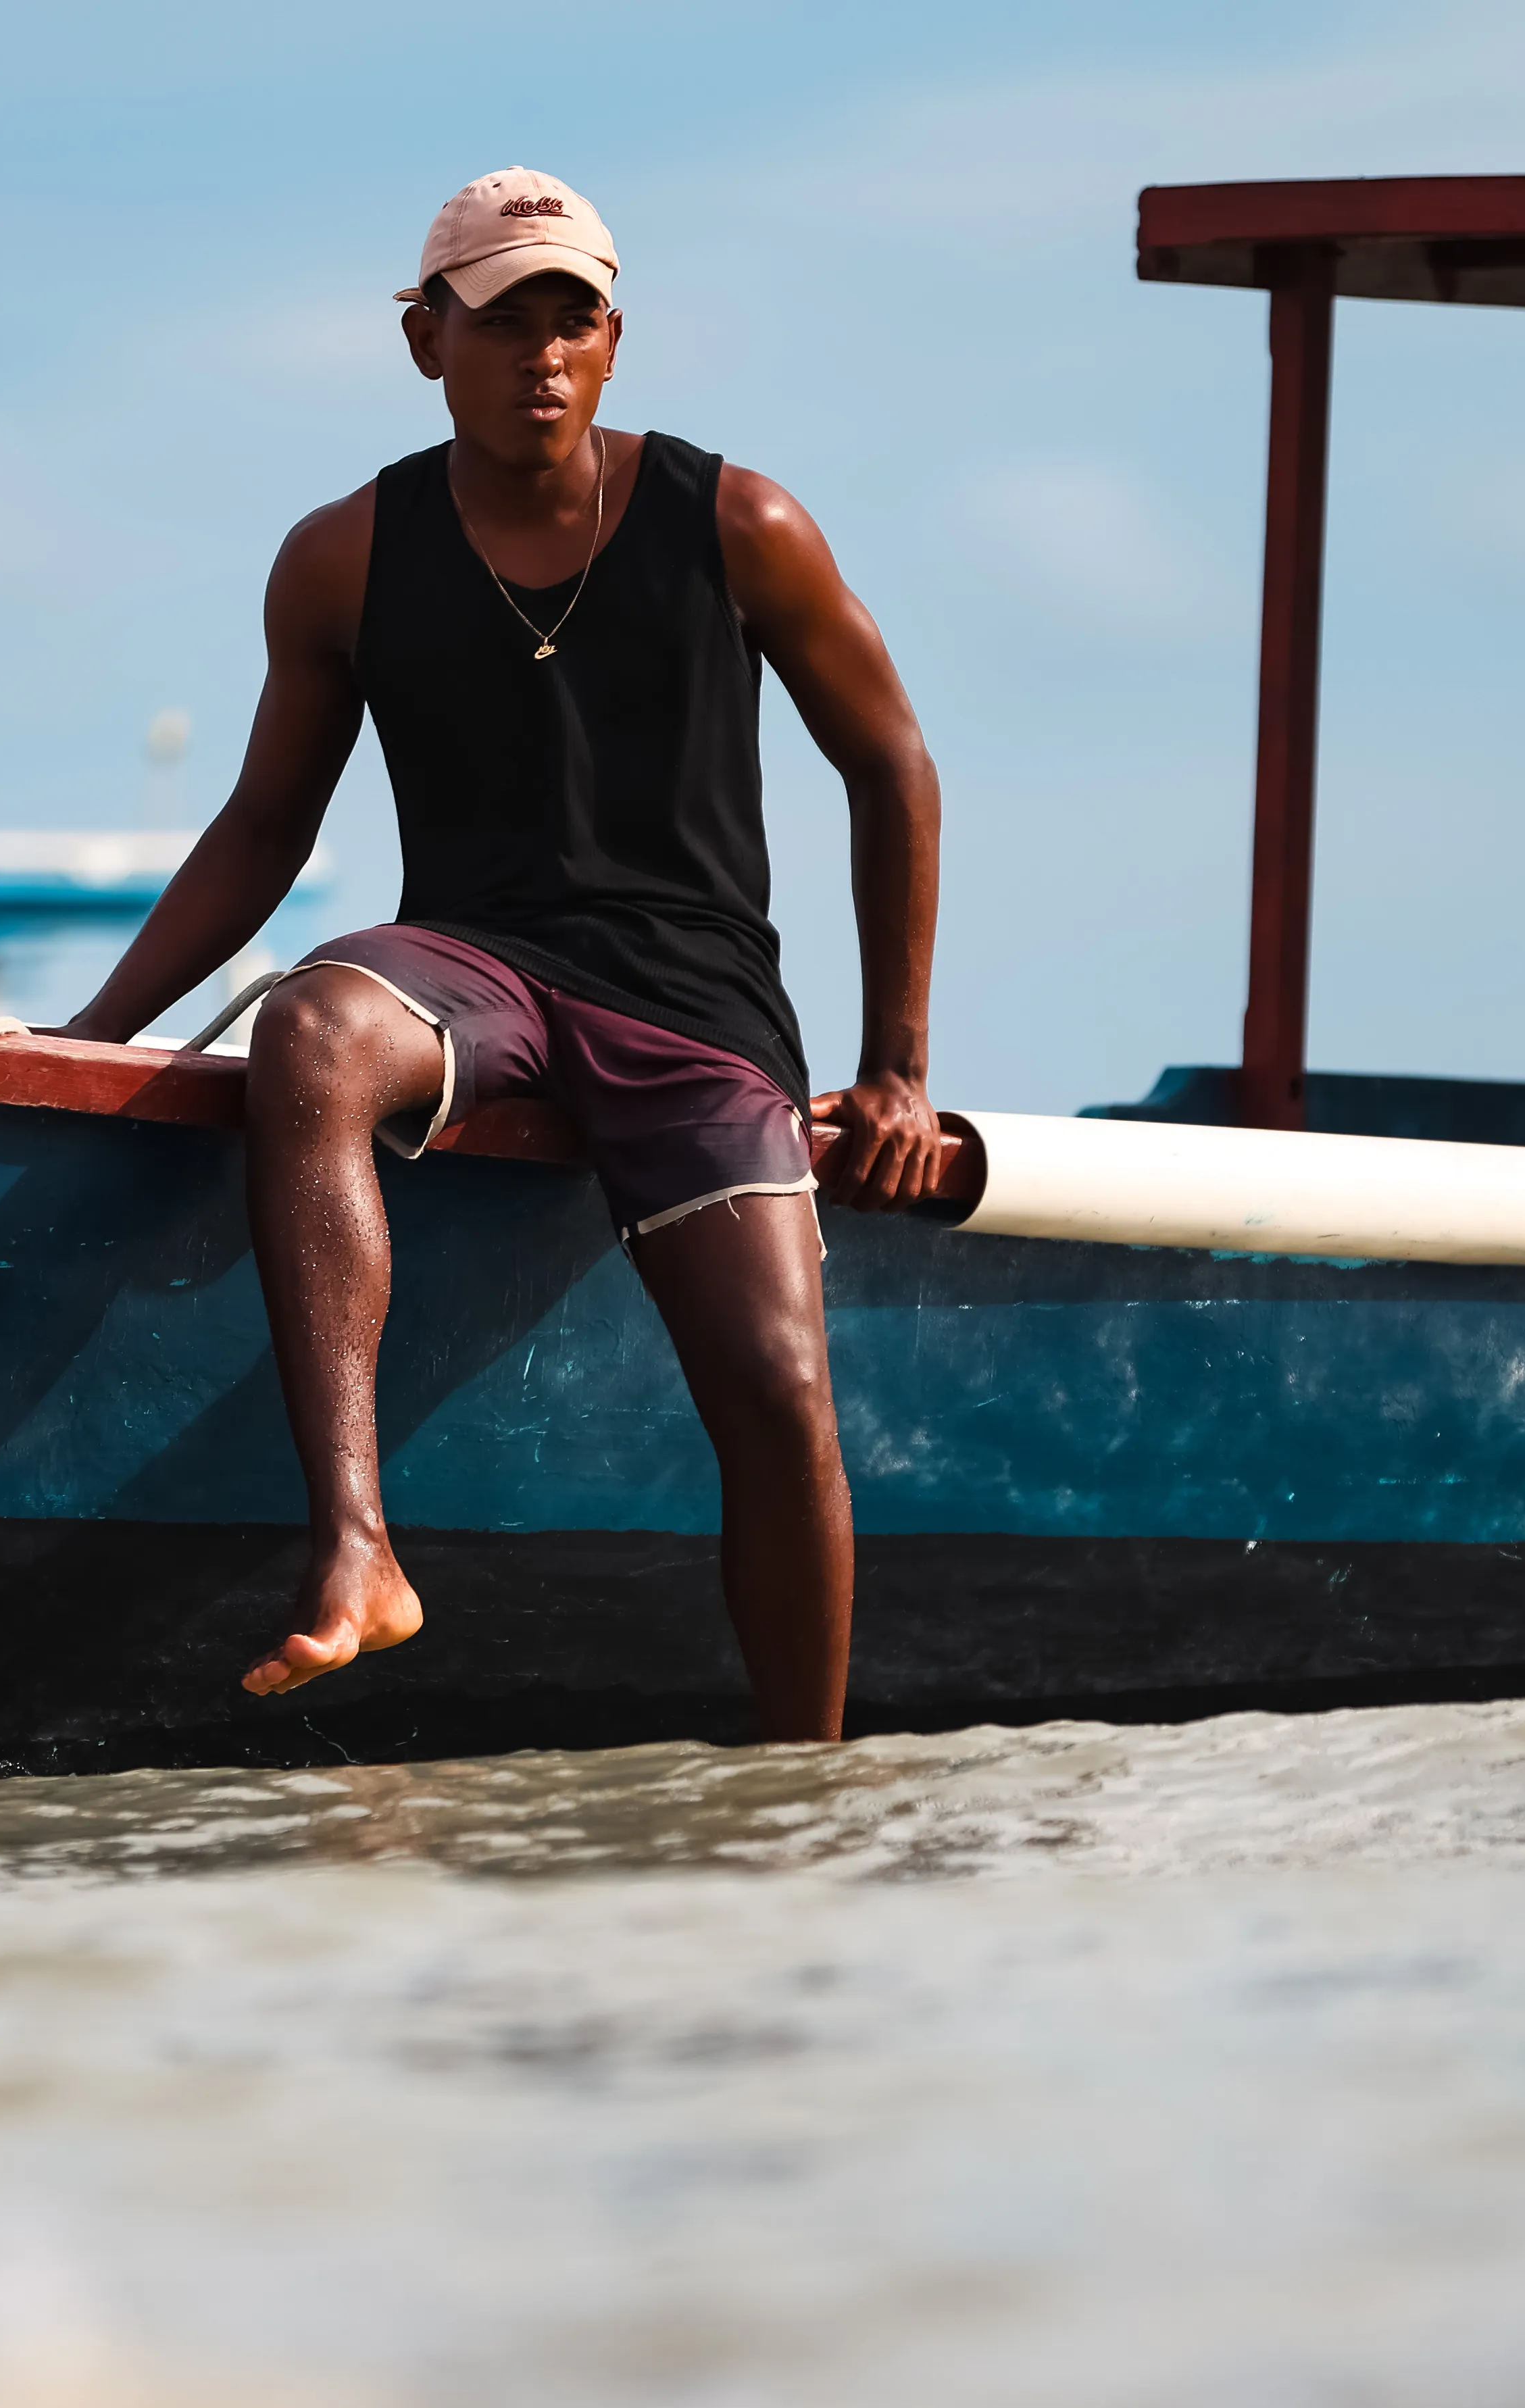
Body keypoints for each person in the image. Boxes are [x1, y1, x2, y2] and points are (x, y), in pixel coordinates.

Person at [56, 166, 947, 1742]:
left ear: (613, 343)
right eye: (502, 320)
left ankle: (804, 1791)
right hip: (477, 968)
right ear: (425, 340)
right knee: (314, 1033)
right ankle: (358, 1547)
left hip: (694, 1006)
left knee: (782, 1391)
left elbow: (892, 765)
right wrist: (92, 1036)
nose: (542, 352)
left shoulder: (738, 522)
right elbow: (263, 826)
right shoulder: (345, 556)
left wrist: (896, 1068)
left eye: (573, 319)